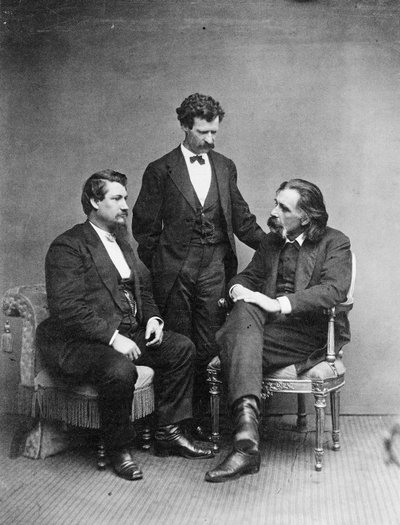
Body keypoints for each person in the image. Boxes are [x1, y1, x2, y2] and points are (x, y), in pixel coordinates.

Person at [36, 169, 214, 482]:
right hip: (78, 342)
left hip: (125, 332)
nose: (125, 206)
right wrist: (112, 337)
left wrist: (154, 319)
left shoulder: (122, 242)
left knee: (181, 348)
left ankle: (168, 432)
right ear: (94, 202)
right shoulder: (68, 246)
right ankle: (118, 448)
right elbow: (67, 308)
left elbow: (143, 288)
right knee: (120, 369)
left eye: (125, 199)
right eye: (117, 198)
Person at [131, 93, 265, 436]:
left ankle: (206, 420)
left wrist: (274, 247)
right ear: (184, 126)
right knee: (179, 340)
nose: (210, 139)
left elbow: (242, 220)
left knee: (209, 343)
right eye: (203, 132)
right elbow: (144, 230)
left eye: (214, 132)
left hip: (215, 266)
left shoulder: (225, 166)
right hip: (175, 269)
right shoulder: (160, 170)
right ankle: (177, 424)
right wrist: (164, 264)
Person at [205, 178, 352, 482]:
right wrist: (238, 291)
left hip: (309, 333)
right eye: (276, 203)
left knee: (234, 340)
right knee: (243, 310)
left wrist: (278, 303)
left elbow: (333, 290)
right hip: (267, 330)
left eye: (284, 208)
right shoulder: (272, 242)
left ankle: (245, 443)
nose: (273, 212)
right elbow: (246, 277)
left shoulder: (335, 242)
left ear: (306, 217)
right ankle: (247, 444)